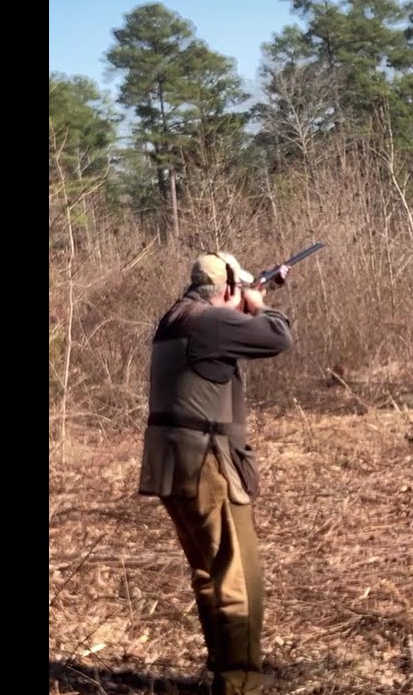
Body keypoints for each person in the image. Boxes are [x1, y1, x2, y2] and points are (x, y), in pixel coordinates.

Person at [137, 251, 293, 695]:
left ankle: (226, 666)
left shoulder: (174, 318)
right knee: (240, 576)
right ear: (226, 290)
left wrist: (248, 293)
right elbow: (277, 336)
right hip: (207, 465)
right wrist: (258, 303)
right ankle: (240, 682)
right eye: (236, 289)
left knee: (208, 573)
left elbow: (218, 337)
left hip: (173, 467)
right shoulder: (209, 323)